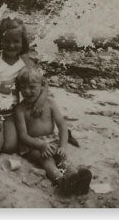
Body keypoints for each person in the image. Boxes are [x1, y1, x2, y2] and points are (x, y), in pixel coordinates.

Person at [12, 68, 92, 196]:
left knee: (62, 158)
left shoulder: (50, 103)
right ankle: (61, 182)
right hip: (32, 145)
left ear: (42, 86)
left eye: (32, 87)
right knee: (47, 159)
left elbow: (62, 126)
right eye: (23, 87)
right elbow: (23, 135)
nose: (27, 91)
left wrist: (63, 146)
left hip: (51, 140)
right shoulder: (20, 109)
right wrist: (40, 145)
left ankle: (76, 178)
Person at [0, 18, 38, 156]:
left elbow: (40, 84)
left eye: (16, 41)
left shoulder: (25, 62)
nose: (11, 45)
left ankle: (2, 130)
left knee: (10, 147)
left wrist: (38, 103)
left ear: (23, 42)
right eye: (7, 41)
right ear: (0, 40)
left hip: (10, 112)